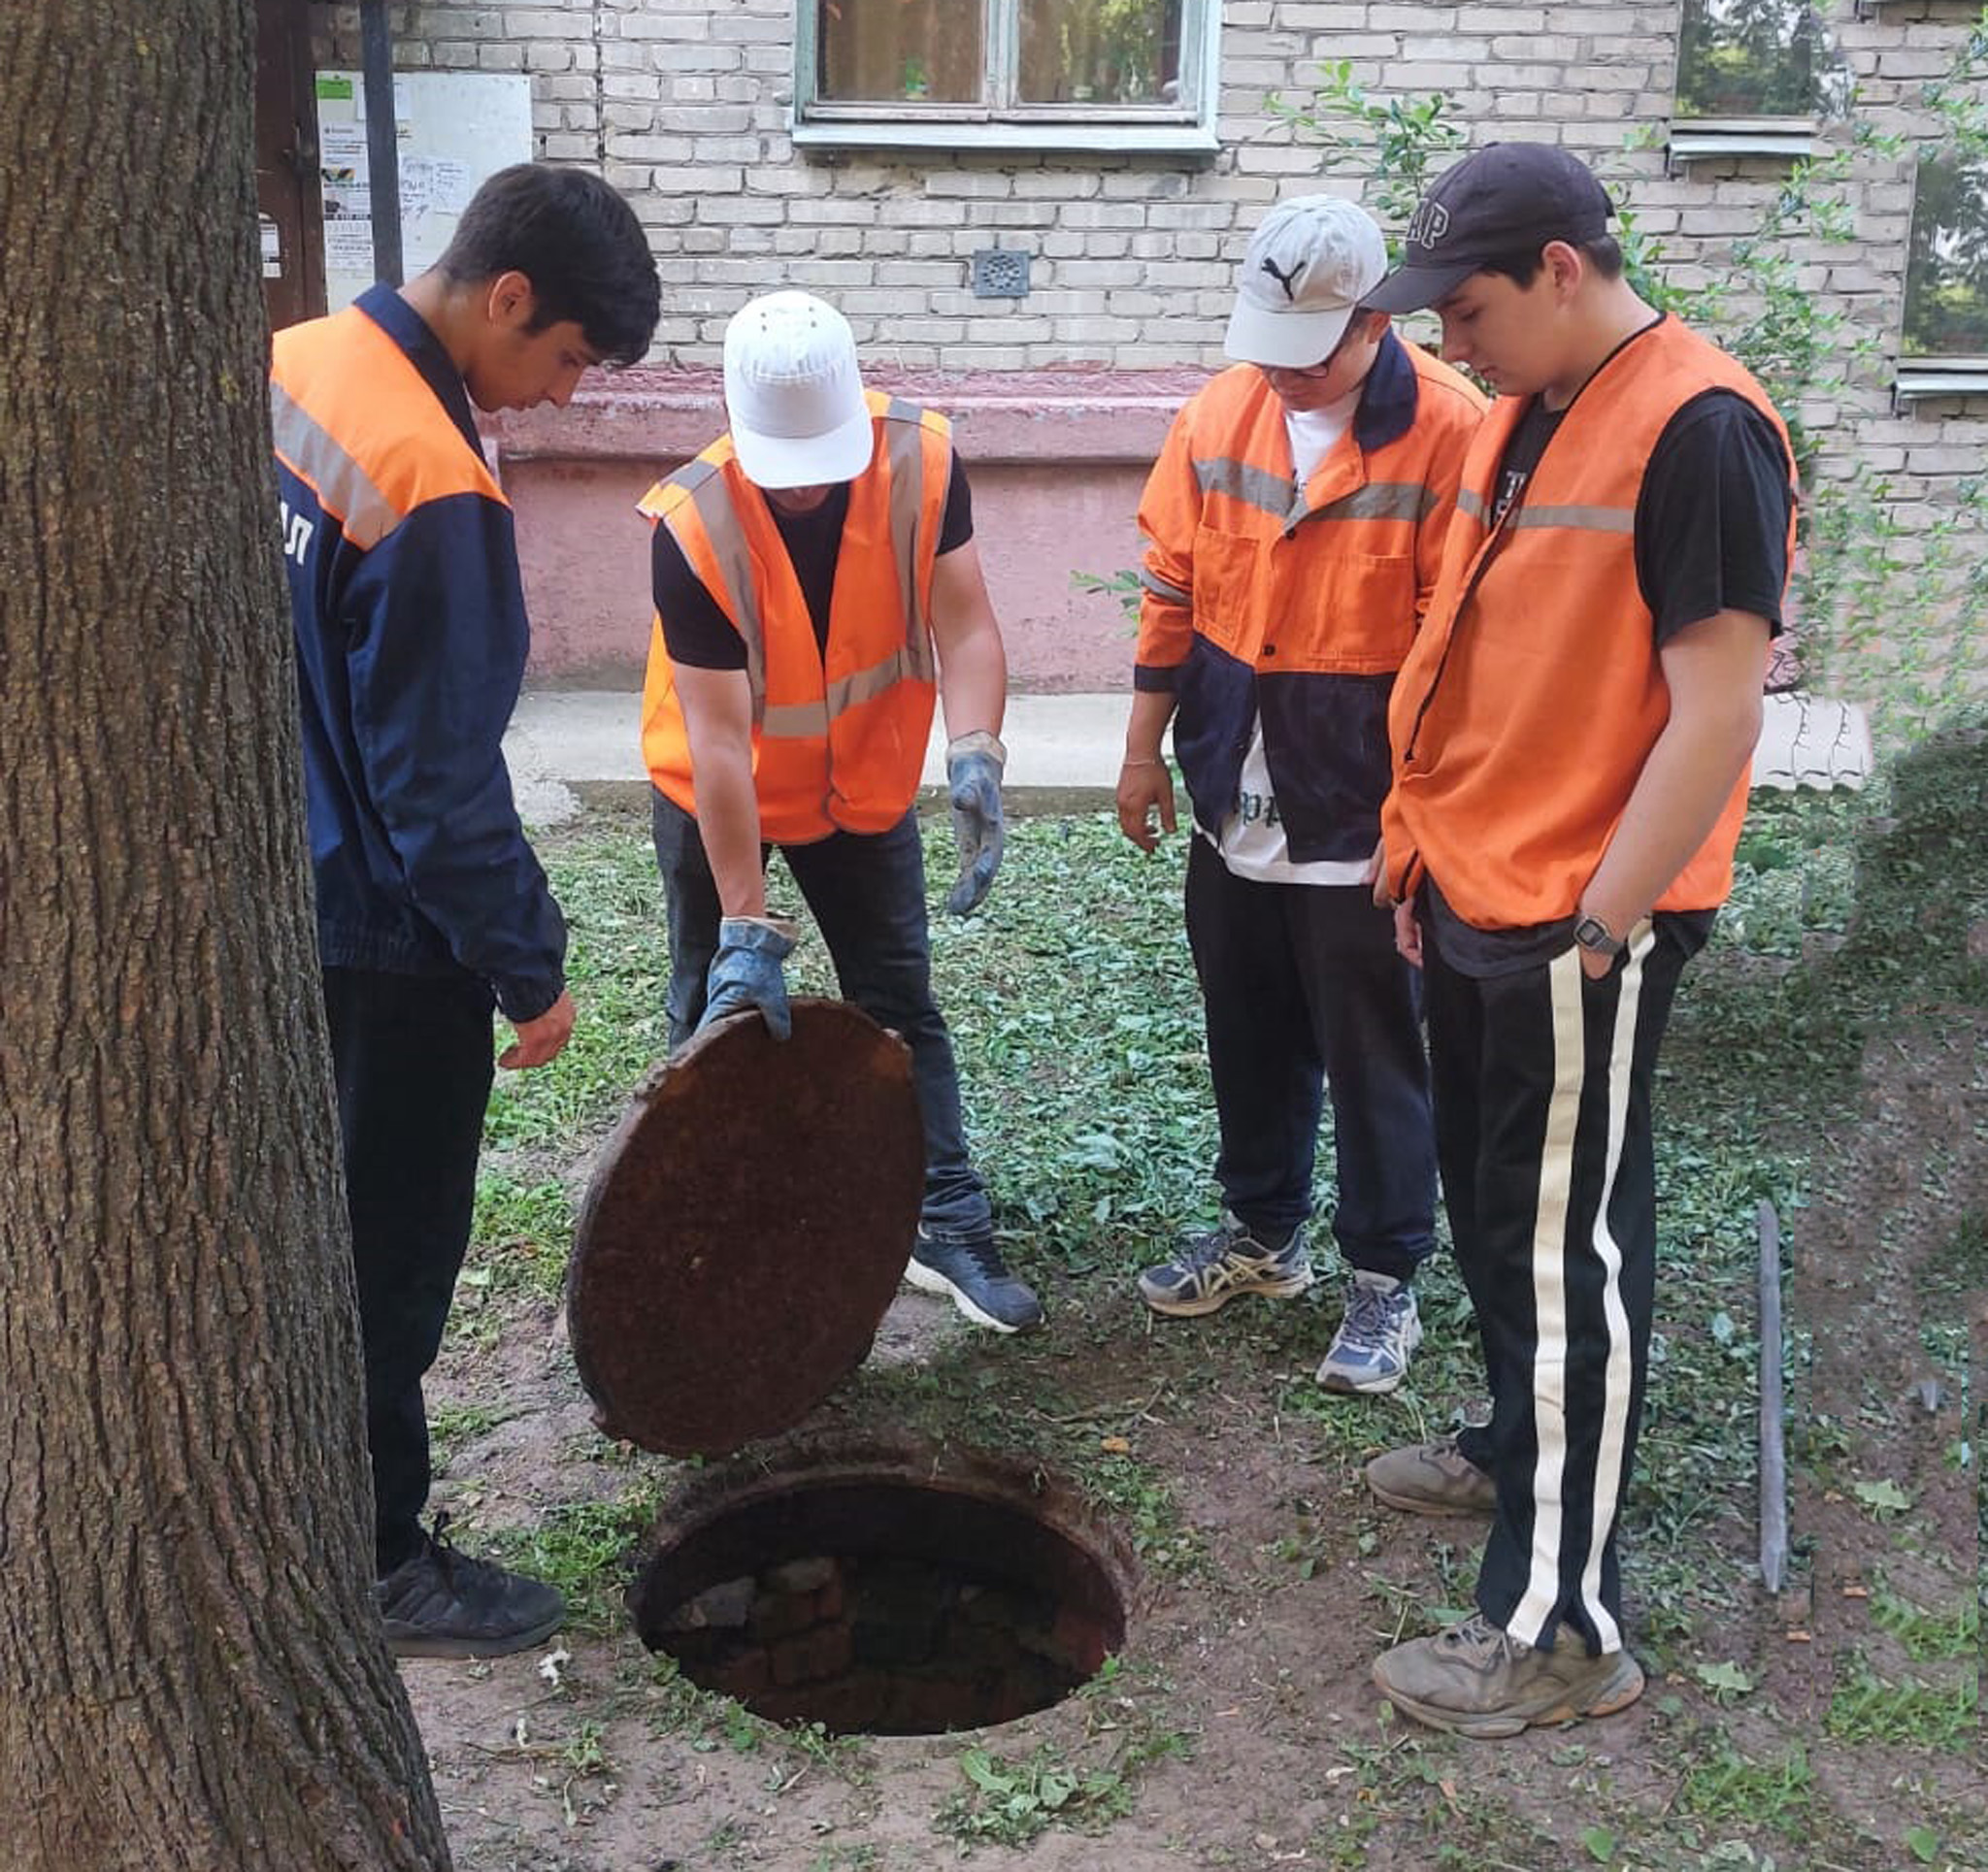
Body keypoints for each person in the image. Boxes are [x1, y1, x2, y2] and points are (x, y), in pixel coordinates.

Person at [1360, 143, 1797, 1736]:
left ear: (1558, 266)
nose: (1446, 345)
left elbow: (1716, 709)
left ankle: (1557, 1629)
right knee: (1493, 1212)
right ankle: (1506, 1439)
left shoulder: (1699, 428)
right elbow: (1479, 646)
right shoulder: (1528, 411)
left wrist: (1603, 922)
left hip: (1574, 918)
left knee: (1561, 1251)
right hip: (1480, 881)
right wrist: (1421, 836)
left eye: (1464, 309)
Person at [271, 163, 661, 1657]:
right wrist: (529, 966)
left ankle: (304, 1497)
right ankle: (378, 1555)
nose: (560, 396)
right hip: (386, 937)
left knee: (309, 1233)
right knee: (391, 1244)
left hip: (285, 882)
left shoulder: (297, 358)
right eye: (564, 360)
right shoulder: (432, 479)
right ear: (506, 298)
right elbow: (439, 791)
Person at [1115, 196, 1486, 1394]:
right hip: (1234, 785)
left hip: (1362, 806)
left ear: (1373, 319)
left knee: (1376, 1048)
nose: (1279, 375)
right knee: (1248, 1026)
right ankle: (1262, 1234)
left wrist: (1421, 820)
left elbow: (1463, 655)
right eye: (1263, 345)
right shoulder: (1223, 409)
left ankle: (1383, 1281)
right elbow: (1171, 590)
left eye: (1308, 351)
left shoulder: (1451, 431)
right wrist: (1141, 752)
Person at [637, 289, 1044, 1335]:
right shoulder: (692, 524)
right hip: (718, 791)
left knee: (900, 1004)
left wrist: (977, 755)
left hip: (859, 783)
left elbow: (965, 628)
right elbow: (722, 740)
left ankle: (942, 1220)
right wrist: (743, 917)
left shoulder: (922, 462)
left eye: (828, 462)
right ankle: (701, 1231)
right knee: (711, 1013)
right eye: (789, 470)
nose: (810, 488)